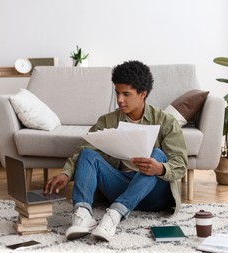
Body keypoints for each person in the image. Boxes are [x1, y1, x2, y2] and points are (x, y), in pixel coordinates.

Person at [44, 60, 188, 242]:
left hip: (153, 196)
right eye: (117, 93)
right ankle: (82, 215)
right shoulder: (107, 121)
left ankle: (113, 216)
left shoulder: (166, 121)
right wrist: (66, 173)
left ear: (143, 94)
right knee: (87, 154)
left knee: (157, 155)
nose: (120, 100)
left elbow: (180, 164)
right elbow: (84, 150)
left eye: (126, 94)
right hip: (120, 187)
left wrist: (160, 168)